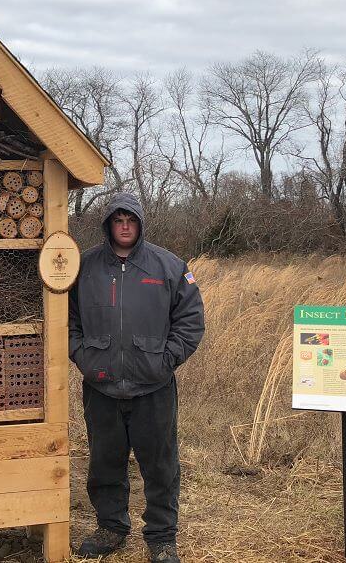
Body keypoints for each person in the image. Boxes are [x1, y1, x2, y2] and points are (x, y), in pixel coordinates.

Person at [69, 192, 205, 563]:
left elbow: (191, 322)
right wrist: (83, 356)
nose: (124, 225)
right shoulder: (85, 267)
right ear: (109, 224)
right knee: (104, 461)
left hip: (153, 387)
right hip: (101, 385)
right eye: (118, 219)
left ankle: (161, 537)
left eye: (131, 219)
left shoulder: (170, 267)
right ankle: (111, 527)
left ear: (141, 224)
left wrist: (164, 361)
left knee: (160, 465)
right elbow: (68, 319)